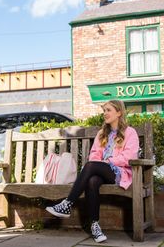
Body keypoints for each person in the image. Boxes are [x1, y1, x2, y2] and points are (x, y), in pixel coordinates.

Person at [45, 100, 139, 243]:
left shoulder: (130, 132)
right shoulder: (102, 133)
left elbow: (129, 157)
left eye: (108, 110)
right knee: (92, 180)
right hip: (101, 171)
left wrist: (108, 162)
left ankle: (67, 203)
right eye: (104, 111)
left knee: (90, 166)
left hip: (119, 172)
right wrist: (100, 163)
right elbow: (94, 154)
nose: (105, 113)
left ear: (119, 112)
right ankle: (95, 226)